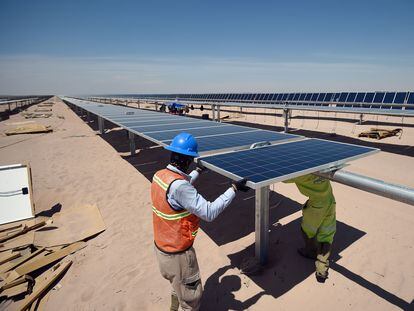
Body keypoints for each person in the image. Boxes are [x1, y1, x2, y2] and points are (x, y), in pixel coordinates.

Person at [151, 133, 249, 311]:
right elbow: (209, 212)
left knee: (176, 285)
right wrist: (234, 189)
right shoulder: (180, 187)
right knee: (191, 299)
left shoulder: (160, 176)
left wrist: (197, 172)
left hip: (161, 250)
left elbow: (178, 188)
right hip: (179, 255)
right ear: (188, 159)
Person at [284, 174, 336, 283]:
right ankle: (322, 270)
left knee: (307, 231)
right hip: (330, 201)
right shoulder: (322, 166)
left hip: (317, 206)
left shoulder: (298, 173)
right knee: (326, 237)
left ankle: (310, 251)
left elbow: (282, 178)